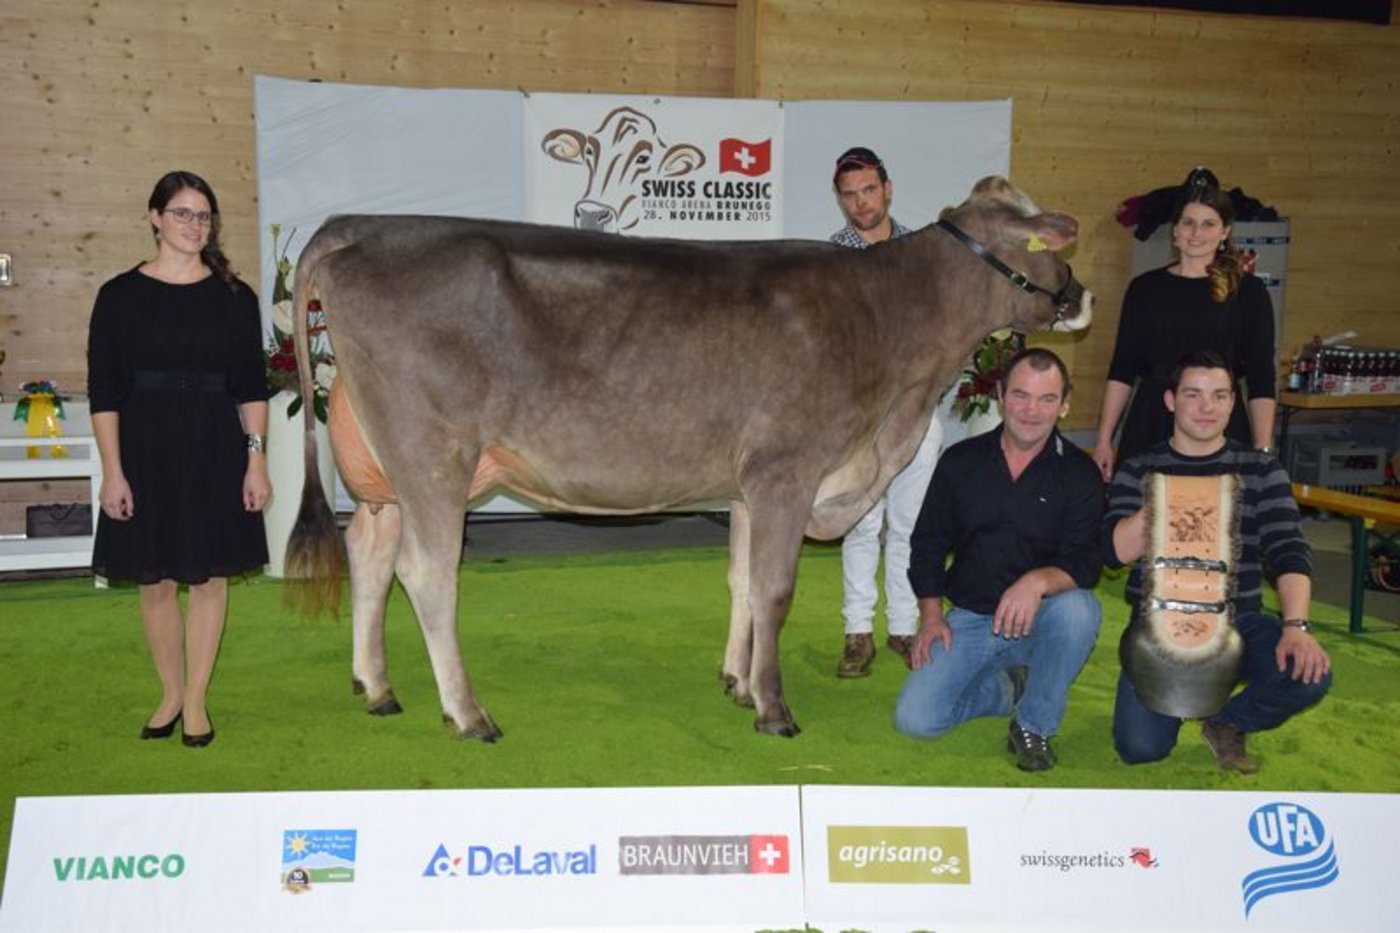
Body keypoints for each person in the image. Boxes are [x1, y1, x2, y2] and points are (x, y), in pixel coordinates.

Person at [88, 170, 271, 748]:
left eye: (204, 216)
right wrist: (113, 471)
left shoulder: (235, 298)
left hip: (216, 446)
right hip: (144, 449)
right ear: (155, 217)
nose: (196, 225)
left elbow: (250, 387)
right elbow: (105, 392)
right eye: (184, 214)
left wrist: (256, 460)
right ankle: (169, 692)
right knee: (157, 580)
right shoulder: (117, 297)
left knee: (211, 577)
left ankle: (196, 702)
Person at [1105, 350, 1331, 774]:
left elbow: (1289, 551)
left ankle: (1227, 721)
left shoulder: (1262, 471)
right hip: (1158, 628)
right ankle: (1173, 703)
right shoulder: (1138, 468)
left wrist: (1296, 627)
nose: (1206, 407)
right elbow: (1114, 553)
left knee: (1310, 672)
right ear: (1171, 401)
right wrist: (1171, 497)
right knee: (1140, 749)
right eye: (1193, 395)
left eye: (1219, 396)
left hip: (1238, 623)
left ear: (1232, 403)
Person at [894, 348, 1103, 771]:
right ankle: (1008, 689)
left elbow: (1086, 561)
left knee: (1081, 609)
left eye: (1047, 399)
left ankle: (1034, 725)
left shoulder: (1080, 474)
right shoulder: (960, 462)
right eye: (1022, 395)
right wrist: (932, 618)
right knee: (915, 720)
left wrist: (1037, 582)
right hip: (970, 618)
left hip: (1041, 618)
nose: (1032, 410)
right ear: (1002, 394)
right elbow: (928, 543)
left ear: (1064, 404)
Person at [828, 145, 964, 677]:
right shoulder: (832, 259)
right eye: (850, 195)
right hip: (857, 413)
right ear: (840, 201)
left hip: (916, 409)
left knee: (911, 522)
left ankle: (904, 628)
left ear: (887, 189)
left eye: (868, 190)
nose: (861, 203)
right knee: (861, 522)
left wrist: (933, 390)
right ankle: (857, 631)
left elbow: (946, 337)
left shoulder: (923, 256)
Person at [1092, 167, 1276, 482]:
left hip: (1219, 427)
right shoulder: (1144, 288)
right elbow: (1122, 369)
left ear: (1225, 232)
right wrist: (1103, 439)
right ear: (1175, 230)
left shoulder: (1249, 292)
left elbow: (1261, 376)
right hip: (1150, 425)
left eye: (1208, 224)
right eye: (1188, 223)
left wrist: (1262, 447)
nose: (1196, 233)